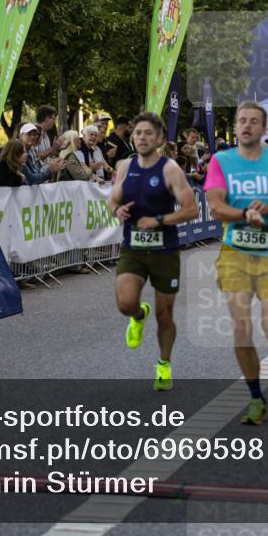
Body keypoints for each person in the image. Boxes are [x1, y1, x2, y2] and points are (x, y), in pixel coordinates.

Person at [204, 101, 268, 425]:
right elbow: (217, 208)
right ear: (235, 127)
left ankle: (261, 377)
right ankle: (256, 396)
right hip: (234, 253)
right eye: (241, 121)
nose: (246, 126)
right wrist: (245, 214)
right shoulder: (222, 161)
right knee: (241, 328)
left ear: (264, 129)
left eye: (253, 122)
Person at [109, 112, 199, 391]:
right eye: (138, 133)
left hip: (165, 250)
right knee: (125, 303)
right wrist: (117, 210)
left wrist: (158, 220)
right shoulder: (125, 165)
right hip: (133, 248)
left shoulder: (170, 169)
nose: (142, 138)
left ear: (159, 138)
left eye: (148, 133)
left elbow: (191, 209)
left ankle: (163, 363)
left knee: (164, 315)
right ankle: (138, 314)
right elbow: (112, 200)